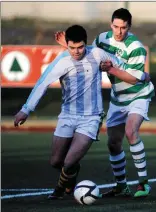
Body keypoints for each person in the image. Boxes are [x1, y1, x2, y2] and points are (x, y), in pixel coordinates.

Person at [14, 24, 135, 200]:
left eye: (80, 47)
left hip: (91, 118)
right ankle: (71, 176)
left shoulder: (97, 54)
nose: (76, 52)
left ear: (86, 44)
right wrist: (26, 110)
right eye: (72, 48)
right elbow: (42, 84)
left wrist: (116, 69)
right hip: (67, 116)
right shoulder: (62, 61)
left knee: (69, 161)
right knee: (56, 162)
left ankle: (59, 189)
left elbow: (122, 66)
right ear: (67, 45)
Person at [54, 8, 155, 198]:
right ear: (111, 25)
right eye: (116, 26)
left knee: (131, 131)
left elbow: (134, 79)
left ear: (129, 27)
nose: (119, 31)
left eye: (123, 28)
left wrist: (111, 69)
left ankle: (143, 184)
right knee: (113, 144)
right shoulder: (102, 40)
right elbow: (87, 57)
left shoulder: (137, 48)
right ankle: (121, 186)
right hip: (118, 98)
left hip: (138, 95)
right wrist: (66, 46)